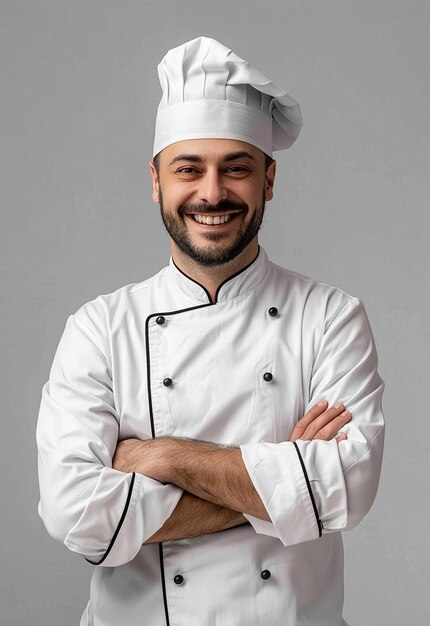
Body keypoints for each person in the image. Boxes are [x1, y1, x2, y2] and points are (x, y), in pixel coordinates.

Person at [37, 36, 385, 626]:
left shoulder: (330, 316)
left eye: (237, 168)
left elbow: (344, 488)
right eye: (188, 169)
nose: (212, 192)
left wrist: (161, 456)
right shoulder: (100, 327)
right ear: (156, 181)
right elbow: (76, 515)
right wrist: (284, 480)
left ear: (268, 180)